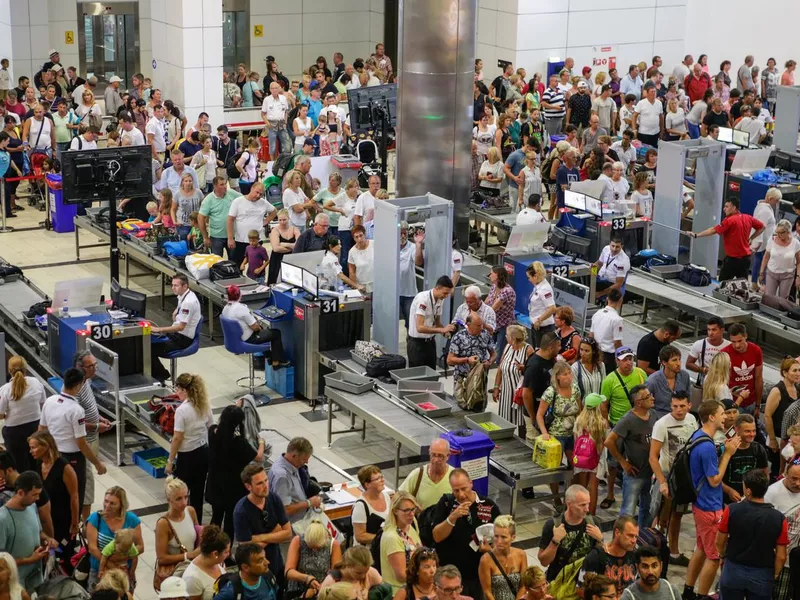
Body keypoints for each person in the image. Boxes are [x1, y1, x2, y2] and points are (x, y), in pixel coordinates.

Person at [684, 401, 741, 600]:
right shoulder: (707, 447)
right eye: (722, 413)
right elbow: (715, 479)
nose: (725, 416)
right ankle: (701, 596)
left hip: (700, 503)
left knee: (701, 548)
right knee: (714, 556)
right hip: (709, 506)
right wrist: (727, 454)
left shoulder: (698, 436)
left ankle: (688, 591)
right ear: (711, 417)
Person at [717, 469, 788, 600]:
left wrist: (722, 555)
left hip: (733, 569)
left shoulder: (731, 510)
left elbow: (719, 541)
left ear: (748, 490)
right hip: (762, 573)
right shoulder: (779, 518)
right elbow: (781, 555)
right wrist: (775, 574)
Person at [38, 367, 106, 505]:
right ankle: (74, 525)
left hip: (52, 455)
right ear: (78, 385)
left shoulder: (50, 401)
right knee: (74, 497)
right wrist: (98, 464)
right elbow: (81, 442)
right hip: (72, 459)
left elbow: (41, 430)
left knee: (55, 496)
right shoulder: (76, 410)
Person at [432, 469, 500, 600]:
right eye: (456, 490)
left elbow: (503, 542)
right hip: (450, 578)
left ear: (471, 483)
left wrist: (490, 551)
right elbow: (437, 536)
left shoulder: (489, 506)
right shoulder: (447, 503)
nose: (461, 494)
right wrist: (452, 517)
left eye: (464, 489)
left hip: (478, 575)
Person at [648, 390, 697, 567]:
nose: (679, 410)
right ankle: (654, 550)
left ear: (689, 405)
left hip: (684, 475)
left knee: (678, 514)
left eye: (682, 406)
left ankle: (674, 552)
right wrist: (662, 481)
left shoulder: (692, 420)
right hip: (667, 474)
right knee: (661, 516)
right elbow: (653, 457)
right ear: (670, 406)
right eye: (675, 406)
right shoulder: (661, 424)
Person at [205, 405, 264, 540]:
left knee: (216, 516)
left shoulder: (212, 432)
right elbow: (258, 457)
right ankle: (226, 552)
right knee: (230, 521)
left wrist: (234, 409)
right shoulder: (238, 443)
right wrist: (261, 443)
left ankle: (210, 544)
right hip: (233, 488)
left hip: (215, 483)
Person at [598, 347, 646, 510]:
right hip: (618, 426)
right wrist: (607, 425)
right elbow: (604, 405)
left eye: (630, 359)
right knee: (613, 463)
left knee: (639, 461)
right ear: (617, 361)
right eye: (624, 359)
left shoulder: (640, 374)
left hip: (637, 426)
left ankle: (638, 493)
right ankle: (610, 493)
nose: (628, 363)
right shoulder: (610, 380)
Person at [605, 385, 656, 528]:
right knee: (628, 511)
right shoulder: (628, 420)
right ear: (638, 402)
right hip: (635, 473)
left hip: (651, 472)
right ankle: (621, 541)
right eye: (647, 396)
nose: (652, 398)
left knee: (647, 508)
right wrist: (623, 462)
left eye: (650, 394)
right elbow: (609, 441)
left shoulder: (654, 415)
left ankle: (642, 538)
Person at [165, 373, 213, 522]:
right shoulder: (204, 404)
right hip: (203, 453)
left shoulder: (182, 411)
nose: (176, 392)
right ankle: (196, 523)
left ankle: (179, 521)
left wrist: (170, 461)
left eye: (177, 389)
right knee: (197, 494)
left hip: (187, 457)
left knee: (180, 493)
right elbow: (211, 427)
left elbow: (178, 438)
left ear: (185, 390)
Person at [234, 464, 292, 587]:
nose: (265, 486)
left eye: (266, 480)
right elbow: (246, 549)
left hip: (276, 563)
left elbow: (288, 533)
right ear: (248, 486)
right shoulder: (241, 511)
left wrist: (258, 538)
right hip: (255, 573)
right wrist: (275, 533)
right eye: (259, 483)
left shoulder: (273, 498)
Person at [0, 472, 57, 592]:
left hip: (36, 582)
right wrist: (29, 560)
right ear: (20, 493)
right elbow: (1, 562)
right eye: (34, 494)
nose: (38, 498)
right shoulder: (3, 519)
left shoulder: (31, 507)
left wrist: (47, 540)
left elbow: (38, 532)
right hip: (16, 587)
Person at [27, 431, 78, 561]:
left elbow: (74, 496)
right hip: (45, 518)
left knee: (63, 555)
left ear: (46, 446)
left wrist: (75, 522)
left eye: (34, 447)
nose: (31, 451)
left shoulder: (64, 467)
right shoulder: (38, 464)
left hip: (62, 519)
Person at [687, 197, 764, 281]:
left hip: (733, 260)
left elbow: (713, 230)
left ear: (734, 208)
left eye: (727, 207)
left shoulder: (729, 220)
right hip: (746, 259)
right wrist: (751, 238)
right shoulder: (748, 218)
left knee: (722, 284)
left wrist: (696, 235)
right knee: (742, 284)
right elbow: (762, 227)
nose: (724, 209)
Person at [538, 484, 601, 585]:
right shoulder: (553, 525)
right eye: (582, 505)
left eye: (588, 504)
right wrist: (555, 541)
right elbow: (544, 562)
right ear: (569, 504)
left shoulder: (593, 523)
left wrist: (600, 540)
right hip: (559, 581)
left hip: (583, 583)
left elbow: (601, 560)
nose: (587, 509)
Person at [538, 361, 582, 500]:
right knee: (555, 468)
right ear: (557, 377)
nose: (568, 377)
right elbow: (539, 415)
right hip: (556, 435)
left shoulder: (575, 389)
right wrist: (545, 433)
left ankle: (571, 495)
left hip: (573, 434)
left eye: (569, 374)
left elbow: (580, 411)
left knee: (575, 463)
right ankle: (556, 497)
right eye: (564, 374)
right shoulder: (551, 392)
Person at [87, 487, 144, 590]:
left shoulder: (131, 520)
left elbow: (140, 546)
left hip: (124, 571)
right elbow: (92, 548)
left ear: (121, 505)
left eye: (112, 503)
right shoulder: (95, 518)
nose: (107, 506)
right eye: (106, 501)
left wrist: (123, 556)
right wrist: (110, 563)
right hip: (100, 570)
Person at [221, 285, 288, 368]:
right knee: (275, 333)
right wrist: (259, 325)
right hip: (248, 340)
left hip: (233, 340)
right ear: (239, 295)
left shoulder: (225, 308)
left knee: (264, 333)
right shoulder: (241, 308)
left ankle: (270, 357)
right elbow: (255, 327)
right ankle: (276, 362)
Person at [0, 356, 45, 473]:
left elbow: (0, 414)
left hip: (14, 433)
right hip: (36, 429)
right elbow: (43, 404)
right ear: (26, 369)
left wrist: (6, 415)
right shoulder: (35, 382)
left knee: (19, 466)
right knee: (37, 464)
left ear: (9, 371)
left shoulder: (5, 389)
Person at [155, 477, 201, 589]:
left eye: (186, 497)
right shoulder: (163, 523)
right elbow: (161, 558)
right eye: (178, 499)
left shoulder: (190, 511)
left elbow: (199, 536)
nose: (184, 502)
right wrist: (188, 555)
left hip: (194, 569)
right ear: (168, 500)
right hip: (176, 575)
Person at [577, 515, 638, 598]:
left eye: (636, 536)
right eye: (630, 535)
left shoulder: (634, 555)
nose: (634, 541)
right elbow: (581, 590)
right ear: (617, 532)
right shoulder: (596, 557)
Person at [268, 437, 321, 527]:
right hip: (291, 527)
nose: (306, 462)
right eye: (304, 459)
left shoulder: (290, 464)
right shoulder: (282, 476)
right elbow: (284, 509)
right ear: (293, 455)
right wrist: (309, 503)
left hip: (299, 522)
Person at [447, 312, 496, 410]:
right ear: (468, 324)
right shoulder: (459, 337)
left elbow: (494, 354)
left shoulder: (485, 334)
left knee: (479, 406)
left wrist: (489, 362)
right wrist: (466, 360)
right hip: (463, 379)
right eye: (478, 325)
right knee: (461, 407)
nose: (481, 327)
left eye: (481, 324)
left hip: (479, 379)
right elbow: (450, 360)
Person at [407, 276, 457, 369]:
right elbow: (420, 328)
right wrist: (442, 330)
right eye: (445, 293)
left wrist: (447, 333)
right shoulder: (422, 299)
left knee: (432, 374)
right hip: (416, 344)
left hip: (430, 343)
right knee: (416, 378)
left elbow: (437, 323)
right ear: (437, 288)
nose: (446, 296)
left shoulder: (440, 300)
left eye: (448, 294)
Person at [285, 520, 342, 598]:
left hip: (324, 590)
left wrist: (318, 590)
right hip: (298, 590)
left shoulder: (333, 544)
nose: (314, 550)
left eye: (318, 547)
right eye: (311, 547)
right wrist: (306, 578)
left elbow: (335, 575)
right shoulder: (297, 540)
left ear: (325, 540)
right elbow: (288, 572)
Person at [721, 413, 769, 504]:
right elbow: (716, 478)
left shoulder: (758, 449)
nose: (752, 434)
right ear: (736, 429)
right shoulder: (726, 449)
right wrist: (729, 491)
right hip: (726, 501)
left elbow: (765, 475)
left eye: (754, 431)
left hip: (752, 499)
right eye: (747, 431)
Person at [492, 324, 533, 429]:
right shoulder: (507, 347)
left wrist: (523, 368)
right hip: (506, 393)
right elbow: (500, 369)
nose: (505, 337)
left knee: (522, 423)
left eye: (507, 335)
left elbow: (532, 372)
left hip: (519, 394)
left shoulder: (528, 350)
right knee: (504, 422)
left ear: (513, 338)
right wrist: (496, 387)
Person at [227, 182, 277, 266]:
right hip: (241, 240)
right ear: (251, 189)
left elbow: (274, 211)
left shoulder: (263, 203)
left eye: (260, 194)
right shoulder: (238, 201)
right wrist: (230, 238)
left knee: (256, 264)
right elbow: (230, 220)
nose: (258, 196)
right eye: (256, 192)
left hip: (257, 240)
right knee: (238, 264)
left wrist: (266, 221)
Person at [379, 491, 421, 591]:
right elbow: (402, 576)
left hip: (414, 588)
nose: (411, 514)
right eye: (406, 510)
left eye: (413, 509)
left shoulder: (411, 524)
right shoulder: (392, 537)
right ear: (395, 511)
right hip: (398, 592)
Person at [478, 515, 526, 600]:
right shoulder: (486, 560)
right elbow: (487, 592)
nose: (499, 541)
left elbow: (523, 585)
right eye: (496, 536)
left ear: (513, 537)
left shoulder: (521, 555)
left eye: (503, 537)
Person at [399, 438, 454, 510]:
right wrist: (413, 506)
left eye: (440, 456)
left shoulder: (454, 476)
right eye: (433, 455)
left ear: (448, 456)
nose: (436, 460)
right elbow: (399, 496)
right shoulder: (418, 474)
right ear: (429, 453)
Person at [722, 323, 763, 417]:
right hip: (733, 403)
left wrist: (757, 405)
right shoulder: (725, 353)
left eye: (740, 341)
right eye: (733, 342)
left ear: (746, 336)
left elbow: (758, 378)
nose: (737, 345)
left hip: (751, 402)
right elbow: (722, 381)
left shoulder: (756, 350)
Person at [181, 525, 229, 600]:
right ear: (215, 554)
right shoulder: (192, 579)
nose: (228, 554)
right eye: (226, 552)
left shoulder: (219, 562)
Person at [765, 358, 800, 459]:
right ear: (785, 373)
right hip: (778, 437)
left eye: (799, 370)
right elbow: (767, 416)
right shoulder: (777, 391)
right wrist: (772, 440)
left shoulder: (797, 388)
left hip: (791, 439)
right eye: (794, 370)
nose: (798, 373)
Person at [646, 345, 691, 417]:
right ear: (664, 362)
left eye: (679, 359)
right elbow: (646, 406)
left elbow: (688, 399)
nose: (678, 363)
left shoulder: (685, 376)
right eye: (674, 360)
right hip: (660, 420)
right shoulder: (652, 381)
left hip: (681, 418)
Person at [352, 465, 391, 546]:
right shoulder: (360, 506)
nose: (382, 480)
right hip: (366, 553)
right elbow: (360, 536)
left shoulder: (386, 496)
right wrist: (384, 538)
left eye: (381, 477)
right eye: (377, 479)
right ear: (367, 485)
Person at [759, 218, 800, 297]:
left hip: (788, 275)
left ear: (788, 232)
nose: (778, 235)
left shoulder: (796, 243)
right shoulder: (771, 240)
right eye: (777, 232)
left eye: (781, 233)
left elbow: (799, 262)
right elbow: (765, 258)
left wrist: (798, 277)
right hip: (772, 273)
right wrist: (761, 273)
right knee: (769, 298)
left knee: (783, 299)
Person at [686, 316, 730, 387]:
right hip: (704, 384)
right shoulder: (699, 344)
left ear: (722, 330)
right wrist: (704, 370)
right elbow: (688, 364)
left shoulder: (729, 346)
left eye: (714, 330)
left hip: (723, 384)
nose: (710, 333)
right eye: (708, 330)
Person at [485, 266, 517, 362]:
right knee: (489, 350)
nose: (489, 275)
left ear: (498, 275)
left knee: (498, 354)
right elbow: (486, 301)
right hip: (494, 324)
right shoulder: (494, 287)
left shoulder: (507, 291)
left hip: (504, 326)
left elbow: (493, 309)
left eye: (491, 273)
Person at [590, 288, 625, 374]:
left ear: (607, 299)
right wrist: (622, 356)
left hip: (596, 352)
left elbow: (591, 335)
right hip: (608, 357)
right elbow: (617, 342)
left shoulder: (597, 313)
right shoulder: (617, 320)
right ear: (620, 301)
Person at [526, 262, 556, 348]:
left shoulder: (545, 289)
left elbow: (552, 308)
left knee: (541, 352)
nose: (529, 280)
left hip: (544, 328)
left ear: (535, 276)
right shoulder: (538, 285)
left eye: (529, 277)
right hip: (536, 326)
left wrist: (539, 320)